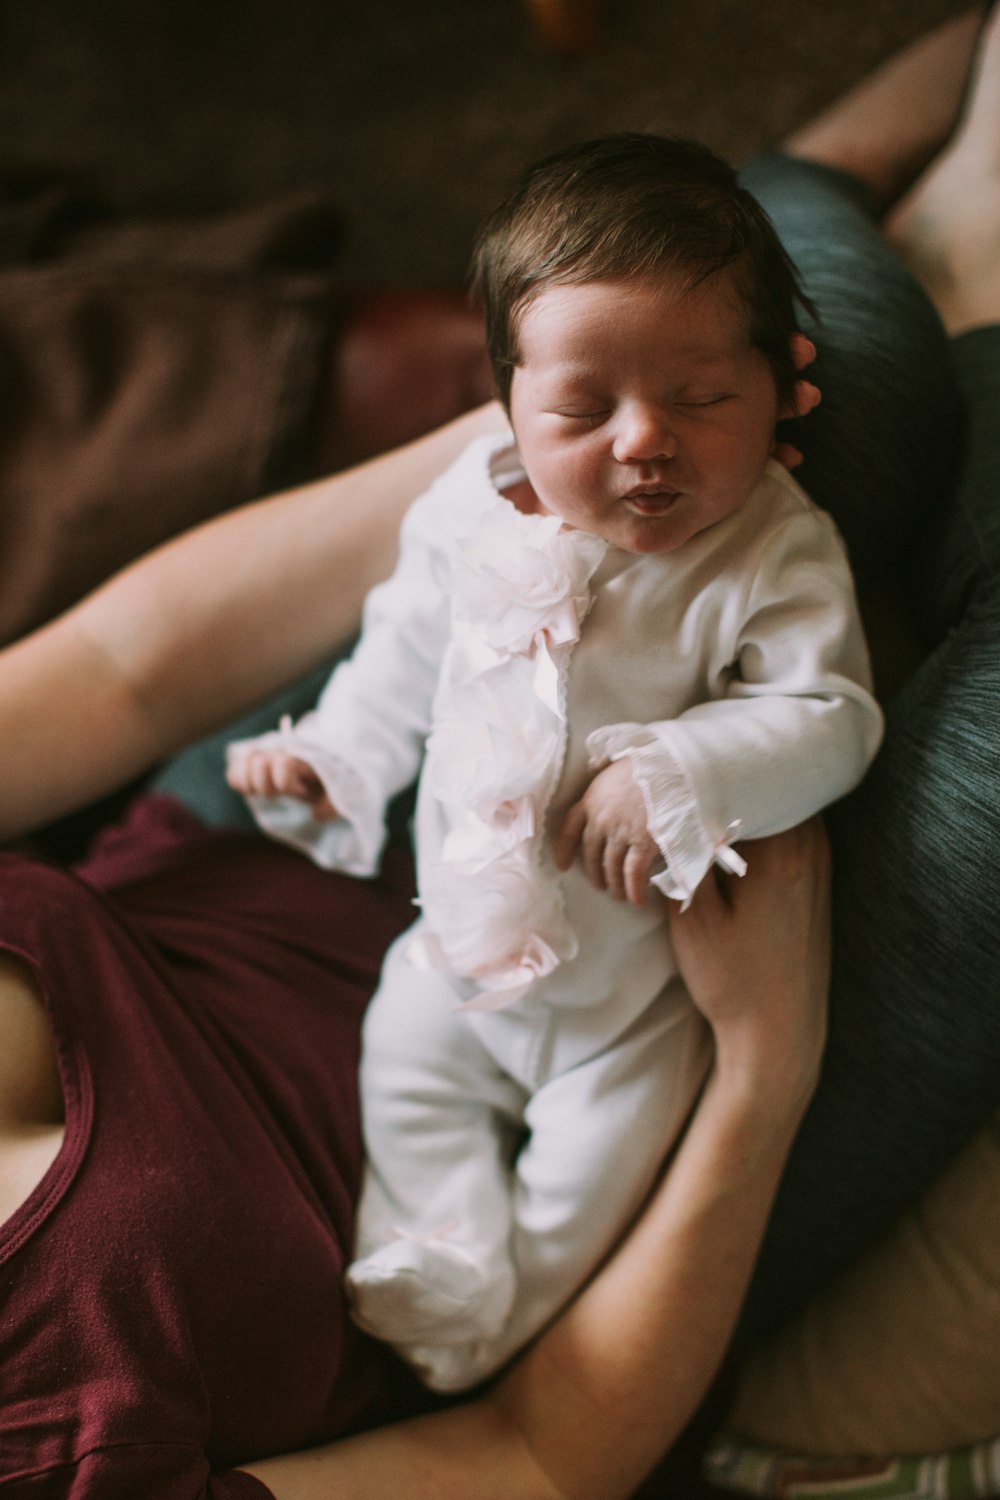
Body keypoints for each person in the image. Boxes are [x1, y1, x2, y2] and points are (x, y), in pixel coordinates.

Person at [0, 8, 998, 1496]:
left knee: (842, 384)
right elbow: (534, 1457)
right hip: (649, 1091)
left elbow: (145, 665)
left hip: (300, 853)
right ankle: (949, 268)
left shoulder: (638, 500)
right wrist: (765, 1066)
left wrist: (550, 446)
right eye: (575, 405)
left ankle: (864, 188)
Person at [225, 133, 880, 1393]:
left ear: (784, 387)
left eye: (703, 398)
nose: (647, 442)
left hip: (632, 1002)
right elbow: (397, 651)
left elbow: (831, 714)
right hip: (457, 952)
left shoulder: (769, 551)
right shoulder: (463, 508)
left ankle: (493, 1326)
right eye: (584, 408)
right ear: (509, 400)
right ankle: (439, 1265)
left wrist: (687, 767)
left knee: (593, 1179)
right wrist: (336, 754)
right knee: (405, 1080)